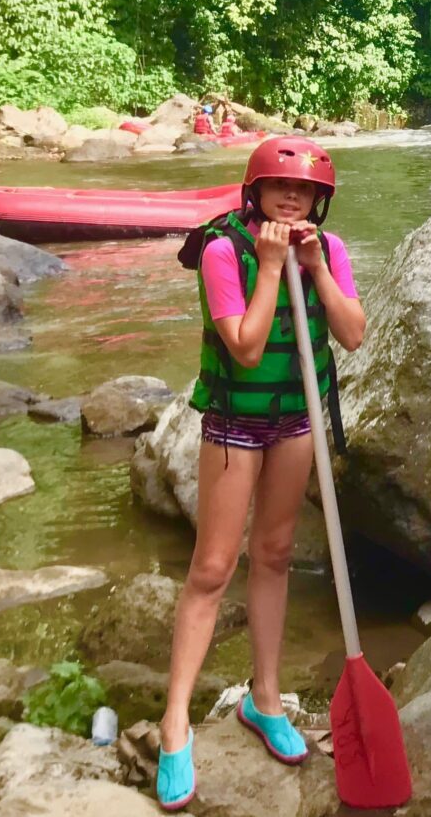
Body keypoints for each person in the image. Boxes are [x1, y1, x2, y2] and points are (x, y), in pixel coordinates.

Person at [155, 137, 365, 811]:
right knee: (213, 567)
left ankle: (264, 698)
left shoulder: (328, 250)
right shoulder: (224, 251)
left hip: (295, 421)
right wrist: (272, 266)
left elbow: (354, 334)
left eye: (303, 191)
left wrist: (315, 268)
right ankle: (175, 722)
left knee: (273, 553)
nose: (291, 198)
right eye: (279, 187)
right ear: (255, 190)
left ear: (319, 202)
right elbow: (244, 348)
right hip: (234, 423)